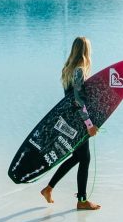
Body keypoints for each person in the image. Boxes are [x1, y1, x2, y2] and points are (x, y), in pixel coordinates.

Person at [40, 36, 101, 211]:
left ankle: (49, 189)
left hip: (70, 119)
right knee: (84, 158)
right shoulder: (80, 70)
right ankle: (81, 200)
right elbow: (79, 100)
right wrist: (89, 124)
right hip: (79, 121)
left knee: (79, 157)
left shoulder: (68, 69)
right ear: (85, 51)